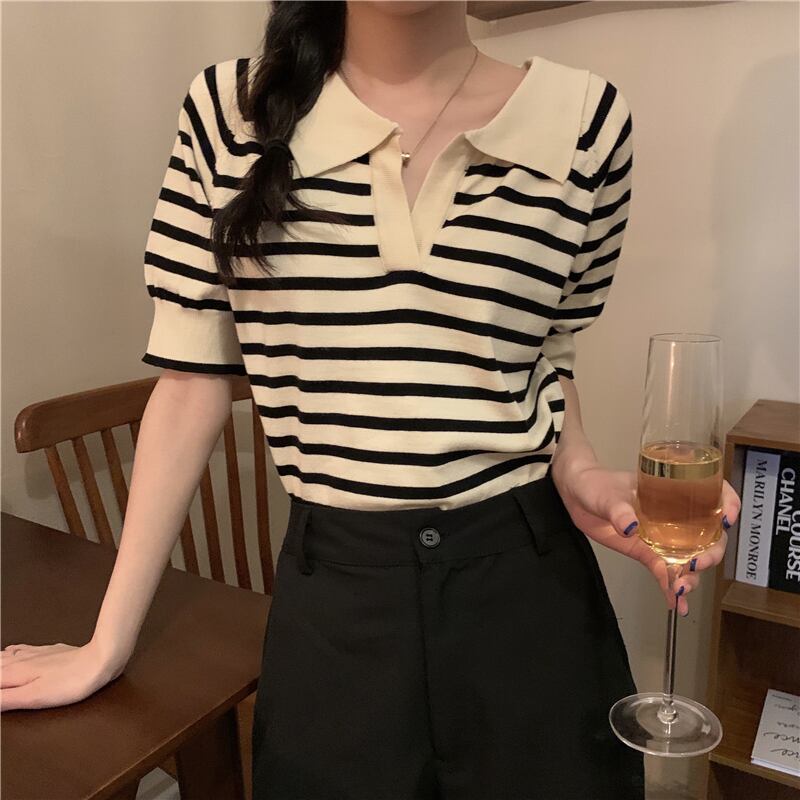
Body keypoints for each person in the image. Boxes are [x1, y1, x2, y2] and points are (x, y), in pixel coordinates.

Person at [1, 2, 741, 798]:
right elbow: (191, 382)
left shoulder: (586, 123)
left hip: (530, 595)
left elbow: (545, 356)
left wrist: (581, 469)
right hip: (336, 605)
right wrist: (106, 643)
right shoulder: (228, 114)